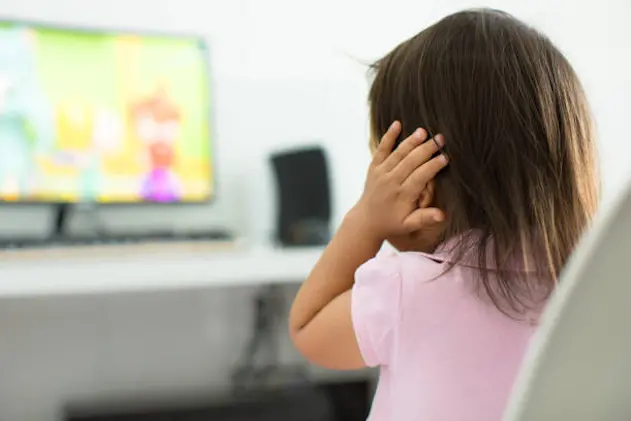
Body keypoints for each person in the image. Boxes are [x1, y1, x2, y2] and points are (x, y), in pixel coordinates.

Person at [289, 8, 599, 421]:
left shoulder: (408, 288)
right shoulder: (588, 292)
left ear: (422, 185)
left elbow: (307, 329)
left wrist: (367, 219)